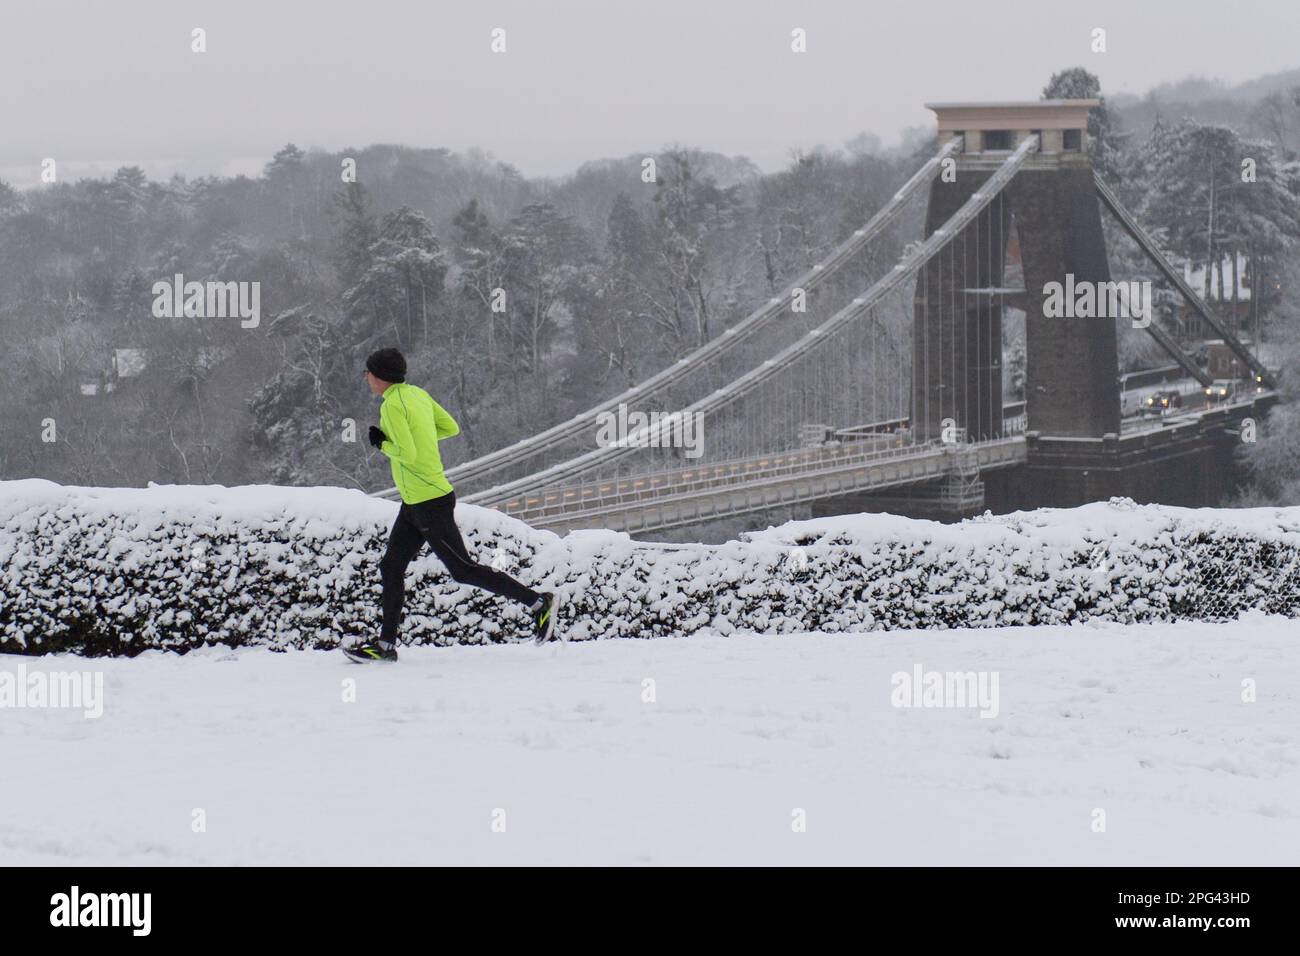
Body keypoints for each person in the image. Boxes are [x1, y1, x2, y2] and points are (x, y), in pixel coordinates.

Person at [345, 347, 558, 662]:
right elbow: (450, 428)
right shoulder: (416, 394)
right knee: (391, 566)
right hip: (415, 501)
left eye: (368, 372)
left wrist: (383, 443)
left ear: (380, 377)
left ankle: (539, 603)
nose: (366, 378)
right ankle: (386, 646)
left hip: (429, 501)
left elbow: (407, 454)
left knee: (463, 570)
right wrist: (419, 437)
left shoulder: (392, 407)